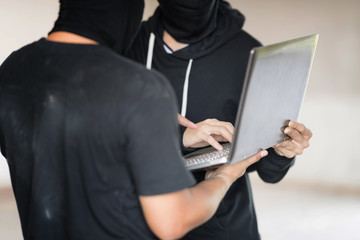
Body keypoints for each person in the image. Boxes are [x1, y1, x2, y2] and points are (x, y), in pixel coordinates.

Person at [0, 0, 269, 239]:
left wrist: (171, 134)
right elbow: (172, 222)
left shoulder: (11, 70)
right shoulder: (140, 86)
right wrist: (223, 176)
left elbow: (42, 156)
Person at [126, 0, 313, 239]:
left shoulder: (249, 52)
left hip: (224, 223)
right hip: (139, 221)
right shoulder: (130, 44)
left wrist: (282, 151)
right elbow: (104, 133)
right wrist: (178, 136)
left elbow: (270, 173)